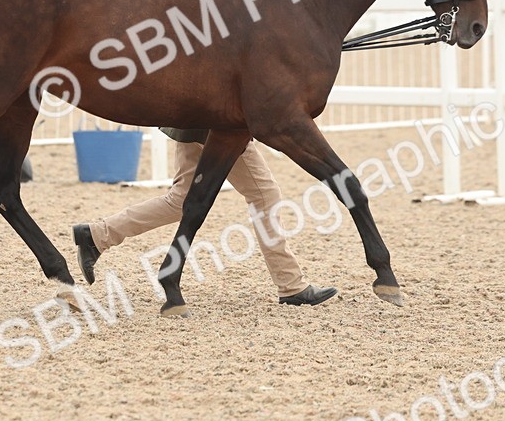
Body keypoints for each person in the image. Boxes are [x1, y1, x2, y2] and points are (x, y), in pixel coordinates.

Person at [73, 128, 339, 306]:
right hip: (220, 127)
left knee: (181, 201)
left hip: (191, 121)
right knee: (264, 194)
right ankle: (291, 285)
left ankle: (97, 234)